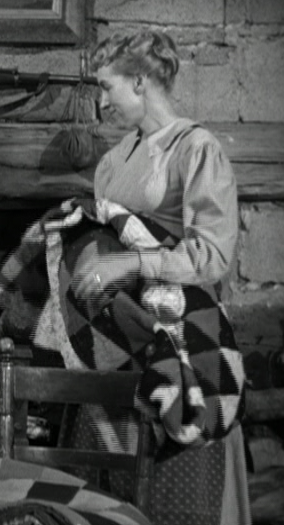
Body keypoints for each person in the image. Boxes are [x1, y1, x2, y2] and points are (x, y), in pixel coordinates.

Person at [60, 31, 250, 525]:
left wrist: (133, 264)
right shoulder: (114, 159)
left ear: (140, 81)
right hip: (119, 334)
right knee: (105, 491)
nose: (103, 103)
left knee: (173, 493)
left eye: (108, 87)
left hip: (179, 334)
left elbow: (212, 254)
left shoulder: (196, 148)